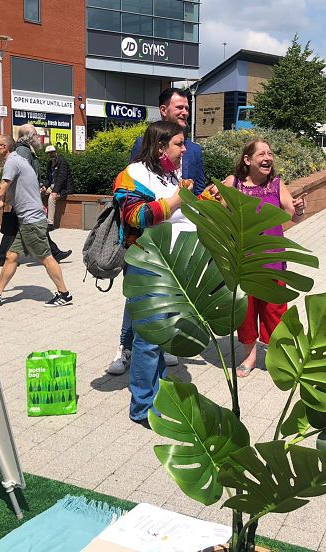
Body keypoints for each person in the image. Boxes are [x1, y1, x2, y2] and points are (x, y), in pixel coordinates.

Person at [108, 88, 205, 375]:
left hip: (177, 255)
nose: (185, 111)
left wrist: (205, 200)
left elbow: (192, 190)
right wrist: (175, 200)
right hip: (149, 256)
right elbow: (136, 206)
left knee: (160, 324)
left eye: (187, 107)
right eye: (179, 107)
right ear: (164, 111)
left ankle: (161, 352)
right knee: (141, 318)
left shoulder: (194, 150)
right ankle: (127, 350)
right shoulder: (142, 154)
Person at [114, 120, 203, 427]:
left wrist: (203, 199)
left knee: (160, 338)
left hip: (172, 267)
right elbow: (135, 216)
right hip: (148, 265)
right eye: (179, 144)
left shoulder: (169, 175)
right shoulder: (133, 174)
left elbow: (179, 216)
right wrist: (178, 198)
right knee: (148, 339)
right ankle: (142, 408)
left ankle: (157, 398)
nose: (184, 150)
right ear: (161, 146)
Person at [222, 139, 306, 378]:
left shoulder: (277, 185)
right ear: (247, 160)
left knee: (274, 310)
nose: (268, 157)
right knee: (245, 312)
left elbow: (293, 215)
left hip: (272, 260)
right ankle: (249, 355)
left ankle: (277, 355)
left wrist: (299, 209)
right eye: (262, 153)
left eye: (270, 153)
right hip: (243, 261)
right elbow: (218, 211)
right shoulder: (234, 183)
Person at [0, 129, 73, 308]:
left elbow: (0, 190)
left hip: (32, 221)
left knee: (46, 258)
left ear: (4, 147)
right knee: (11, 256)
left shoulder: (12, 161)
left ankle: (64, 294)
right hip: (28, 221)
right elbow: (8, 198)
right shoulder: (18, 161)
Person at [0, 134, 71, 265]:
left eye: (52, 152)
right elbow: (16, 178)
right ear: (29, 139)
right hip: (24, 199)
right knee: (21, 229)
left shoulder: (22, 152)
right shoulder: (23, 152)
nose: (38, 138)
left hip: (24, 198)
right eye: (35, 135)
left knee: (17, 230)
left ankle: (3, 258)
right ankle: (3, 257)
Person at [41, 144, 73, 231]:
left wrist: (55, 191)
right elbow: (48, 178)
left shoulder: (62, 162)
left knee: (51, 198)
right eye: (49, 153)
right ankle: (38, 219)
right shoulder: (49, 163)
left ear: (55, 152)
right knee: (39, 194)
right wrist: (44, 186)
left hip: (64, 188)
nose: (51, 155)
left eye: (52, 152)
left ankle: (50, 223)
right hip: (53, 186)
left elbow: (61, 179)